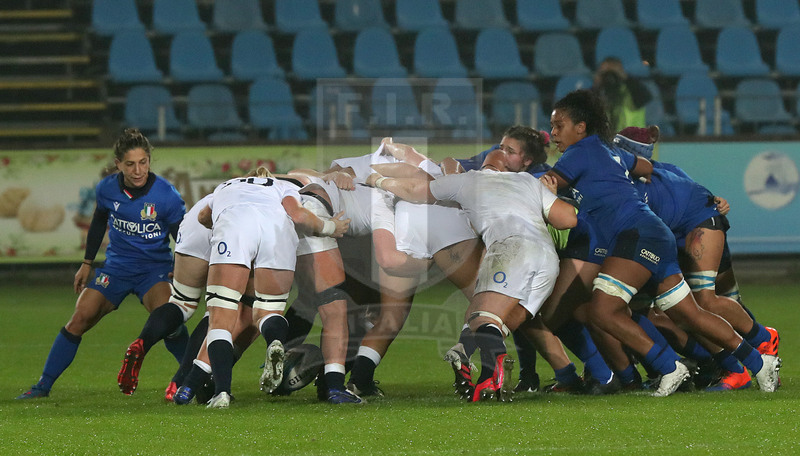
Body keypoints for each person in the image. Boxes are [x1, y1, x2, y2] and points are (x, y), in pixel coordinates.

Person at [544, 90, 781, 396]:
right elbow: (646, 167)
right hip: (656, 234)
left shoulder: (578, 153)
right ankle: (760, 363)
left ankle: (671, 367)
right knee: (689, 314)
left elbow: (545, 185)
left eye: (558, 125)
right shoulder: (606, 152)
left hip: (636, 235)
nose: (553, 133)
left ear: (581, 126)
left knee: (602, 310)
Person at [365, 148, 578, 402]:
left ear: (483, 164)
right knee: (499, 324)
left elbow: (415, 190)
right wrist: (546, 199)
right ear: (508, 168)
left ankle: (492, 371)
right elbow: (567, 219)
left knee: (480, 318)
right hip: (547, 260)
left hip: (511, 249)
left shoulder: (468, 180)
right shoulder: (527, 181)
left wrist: (379, 181)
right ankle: (473, 366)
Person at [17, 128, 187, 399]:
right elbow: (98, 221)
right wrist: (86, 263)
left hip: (154, 271)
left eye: (143, 162)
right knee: (79, 318)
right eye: (130, 164)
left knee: (170, 321)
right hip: (116, 269)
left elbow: (183, 236)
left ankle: (190, 381)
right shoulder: (107, 189)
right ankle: (42, 386)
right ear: (118, 164)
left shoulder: (166, 195)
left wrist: (181, 266)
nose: (137, 170)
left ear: (149, 161)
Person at [198, 167, 349, 408]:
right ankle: (275, 342)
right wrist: (331, 227)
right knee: (269, 310)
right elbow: (298, 215)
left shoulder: (228, 185)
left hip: (236, 226)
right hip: (275, 230)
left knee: (221, 316)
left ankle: (221, 392)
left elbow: (203, 217)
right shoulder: (283, 186)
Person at [593, 57, 652, 132]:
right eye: (606, 73)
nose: (610, 76)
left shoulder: (631, 90)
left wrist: (625, 77)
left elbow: (645, 97)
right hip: (605, 140)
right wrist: (597, 84)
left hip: (631, 139)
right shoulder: (599, 92)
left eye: (614, 72)